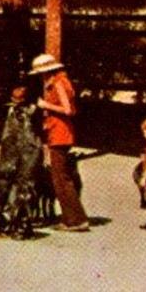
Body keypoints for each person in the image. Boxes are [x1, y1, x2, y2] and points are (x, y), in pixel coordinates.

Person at [30, 53, 88, 231]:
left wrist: (45, 106)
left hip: (60, 133)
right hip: (57, 132)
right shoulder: (59, 82)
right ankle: (73, 216)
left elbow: (68, 110)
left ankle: (75, 219)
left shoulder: (58, 83)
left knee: (60, 178)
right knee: (61, 177)